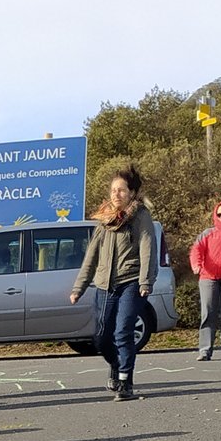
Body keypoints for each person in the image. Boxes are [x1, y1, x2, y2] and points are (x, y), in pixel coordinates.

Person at [68, 165, 156, 400]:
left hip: (131, 282)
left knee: (123, 331)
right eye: (113, 190)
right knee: (101, 337)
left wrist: (146, 281)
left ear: (132, 193)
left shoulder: (140, 217)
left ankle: (126, 382)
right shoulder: (104, 220)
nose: (116, 194)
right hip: (105, 285)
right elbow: (92, 256)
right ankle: (116, 365)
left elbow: (148, 249)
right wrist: (79, 286)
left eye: (122, 190)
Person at [187, 200, 221, 361]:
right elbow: (196, 250)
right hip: (208, 277)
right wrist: (197, 265)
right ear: (214, 215)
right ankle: (205, 350)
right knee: (207, 314)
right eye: (219, 214)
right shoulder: (207, 233)